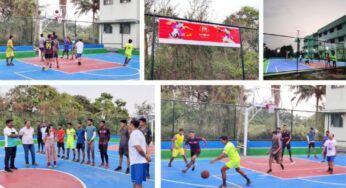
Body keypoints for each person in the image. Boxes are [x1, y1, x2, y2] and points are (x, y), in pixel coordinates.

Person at [129, 118, 150, 188]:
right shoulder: (139, 133)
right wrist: (147, 155)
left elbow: (139, 149)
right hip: (137, 162)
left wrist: (146, 156)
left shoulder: (134, 134)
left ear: (132, 125)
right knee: (135, 182)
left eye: (129, 124)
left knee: (138, 184)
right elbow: (145, 145)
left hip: (138, 162)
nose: (128, 125)